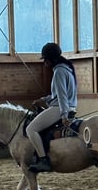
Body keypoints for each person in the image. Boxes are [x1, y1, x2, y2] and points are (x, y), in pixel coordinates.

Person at [27, 42, 78, 173]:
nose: (44, 62)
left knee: (31, 129)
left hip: (60, 109)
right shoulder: (66, 68)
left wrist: (64, 115)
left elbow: (62, 96)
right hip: (68, 106)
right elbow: (57, 94)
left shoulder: (59, 72)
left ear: (50, 59)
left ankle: (44, 160)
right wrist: (43, 100)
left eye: (45, 59)